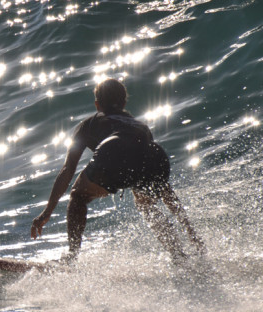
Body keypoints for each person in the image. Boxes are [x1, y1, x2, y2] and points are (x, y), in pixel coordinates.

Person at [30, 78, 205, 264]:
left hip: (112, 149)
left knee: (78, 196)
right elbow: (164, 189)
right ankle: (178, 255)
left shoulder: (88, 125)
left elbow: (67, 170)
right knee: (146, 204)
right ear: (123, 103)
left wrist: (47, 212)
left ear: (97, 104)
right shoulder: (141, 127)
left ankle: (72, 257)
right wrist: (190, 230)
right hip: (156, 156)